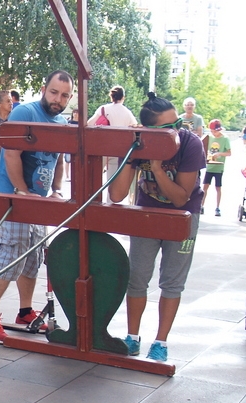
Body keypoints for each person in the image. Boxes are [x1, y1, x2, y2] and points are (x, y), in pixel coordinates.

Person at [0, 70, 74, 343]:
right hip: (15, 197)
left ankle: (25, 311)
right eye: (54, 92)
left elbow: (58, 160)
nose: (58, 99)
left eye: (64, 95)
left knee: (33, 257)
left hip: (37, 200)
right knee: (11, 254)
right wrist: (22, 191)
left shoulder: (61, 121)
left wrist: (56, 190)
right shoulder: (25, 113)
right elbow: (12, 154)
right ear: (44, 89)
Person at [108, 93, 205, 361]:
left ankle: (161, 341)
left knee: (172, 281)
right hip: (147, 214)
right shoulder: (139, 143)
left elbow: (181, 198)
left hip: (183, 216)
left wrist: (158, 170)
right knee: (137, 277)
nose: (175, 131)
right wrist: (132, 154)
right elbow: (116, 195)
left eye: (177, 124)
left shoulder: (190, 143)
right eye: (167, 127)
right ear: (149, 130)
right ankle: (132, 336)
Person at [87, 86, 137, 201]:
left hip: (102, 148)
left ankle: (92, 202)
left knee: (94, 180)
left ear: (111, 96)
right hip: (118, 150)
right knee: (112, 182)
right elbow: (135, 126)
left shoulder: (103, 109)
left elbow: (89, 123)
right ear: (123, 97)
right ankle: (109, 206)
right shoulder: (127, 112)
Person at [202, 119, 231, 217]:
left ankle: (217, 207)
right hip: (209, 166)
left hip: (219, 167)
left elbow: (229, 153)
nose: (213, 133)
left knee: (218, 187)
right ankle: (202, 205)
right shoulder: (209, 137)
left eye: (215, 131)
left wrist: (220, 154)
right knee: (205, 186)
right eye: (212, 131)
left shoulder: (225, 139)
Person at [64, 108, 79, 180]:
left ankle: (75, 175)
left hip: (77, 143)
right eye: (74, 112)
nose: (75, 114)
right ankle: (67, 176)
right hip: (69, 143)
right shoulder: (69, 122)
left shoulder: (81, 123)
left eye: (77, 112)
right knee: (67, 160)